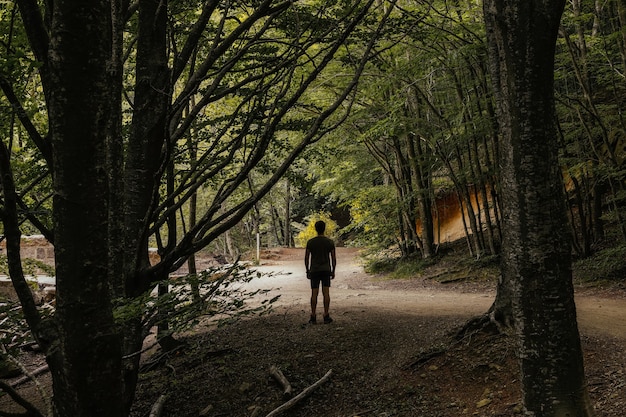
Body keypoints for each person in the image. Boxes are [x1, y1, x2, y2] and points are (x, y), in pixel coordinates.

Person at [304, 220, 336, 324]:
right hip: (326, 270)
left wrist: (307, 270)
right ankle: (326, 315)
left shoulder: (311, 242)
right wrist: (333, 270)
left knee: (314, 293)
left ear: (315, 229)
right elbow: (333, 258)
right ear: (324, 228)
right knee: (326, 293)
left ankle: (313, 316)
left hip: (314, 270)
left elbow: (306, 258)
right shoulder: (329, 242)